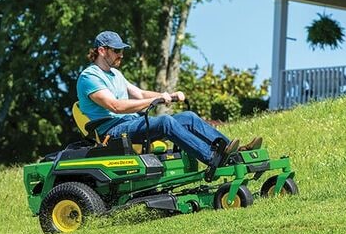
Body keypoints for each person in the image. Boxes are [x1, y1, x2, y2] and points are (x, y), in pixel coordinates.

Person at [76, 31, 261, 174]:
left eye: (122, 50)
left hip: (130, 123)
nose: (121, 55)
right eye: (116, 50)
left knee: (188, 117)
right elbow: (114, 106)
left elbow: (139, 94)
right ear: (102, 50)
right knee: (165, 122)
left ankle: (234, 153)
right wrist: (155, 100)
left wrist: (168, 95)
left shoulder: (115, 74)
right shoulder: (89, 77)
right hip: (112, 131)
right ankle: (212, 158)